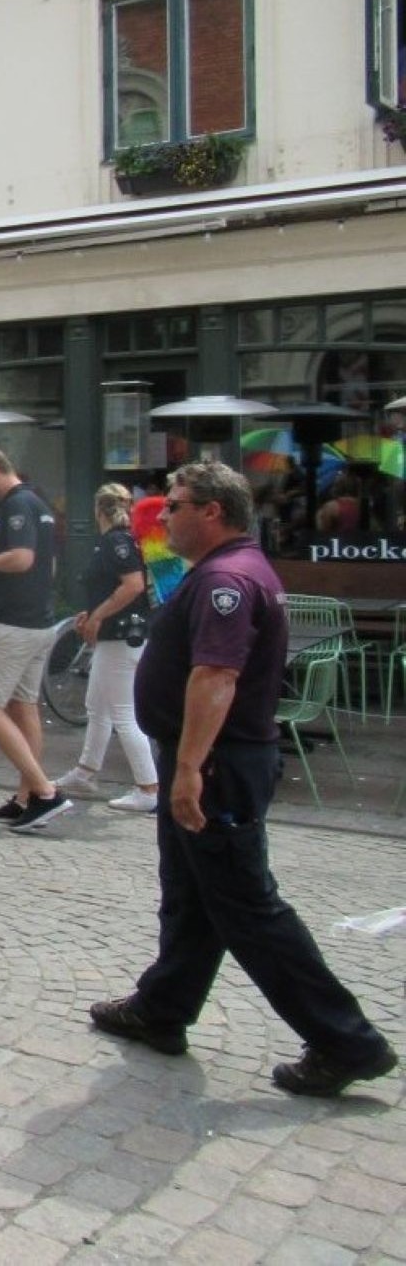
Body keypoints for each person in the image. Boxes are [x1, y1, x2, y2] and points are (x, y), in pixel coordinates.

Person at [90, 461, 397, 1098]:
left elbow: (217, 678)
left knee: (249, 908)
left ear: (212, 512)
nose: (162, 516)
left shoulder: (227, 578)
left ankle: (347, 1042)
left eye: (174, 506)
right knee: (192, 895)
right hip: (209, 758)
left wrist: (187, 771)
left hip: (216, 763)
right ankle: (162, 1008)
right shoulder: (224, 570)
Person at [0, 446, 71, 831]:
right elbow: (39, 569)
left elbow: (22, 560)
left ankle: (44, 790)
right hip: (35, 621)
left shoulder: (15, 505)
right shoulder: (37, 502)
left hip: (14, 627)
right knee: (24, 706)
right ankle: (29, 798)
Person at [52, 483, 160, 814]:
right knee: (97, 706)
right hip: (119, 634)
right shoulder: (124, 542)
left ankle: (148, 787)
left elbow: (132, 586)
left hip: (121, 636)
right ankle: (86, 771)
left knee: (123, 714)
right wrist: (95, 610)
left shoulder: (116, 543)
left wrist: (97, 614)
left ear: (98, 510)